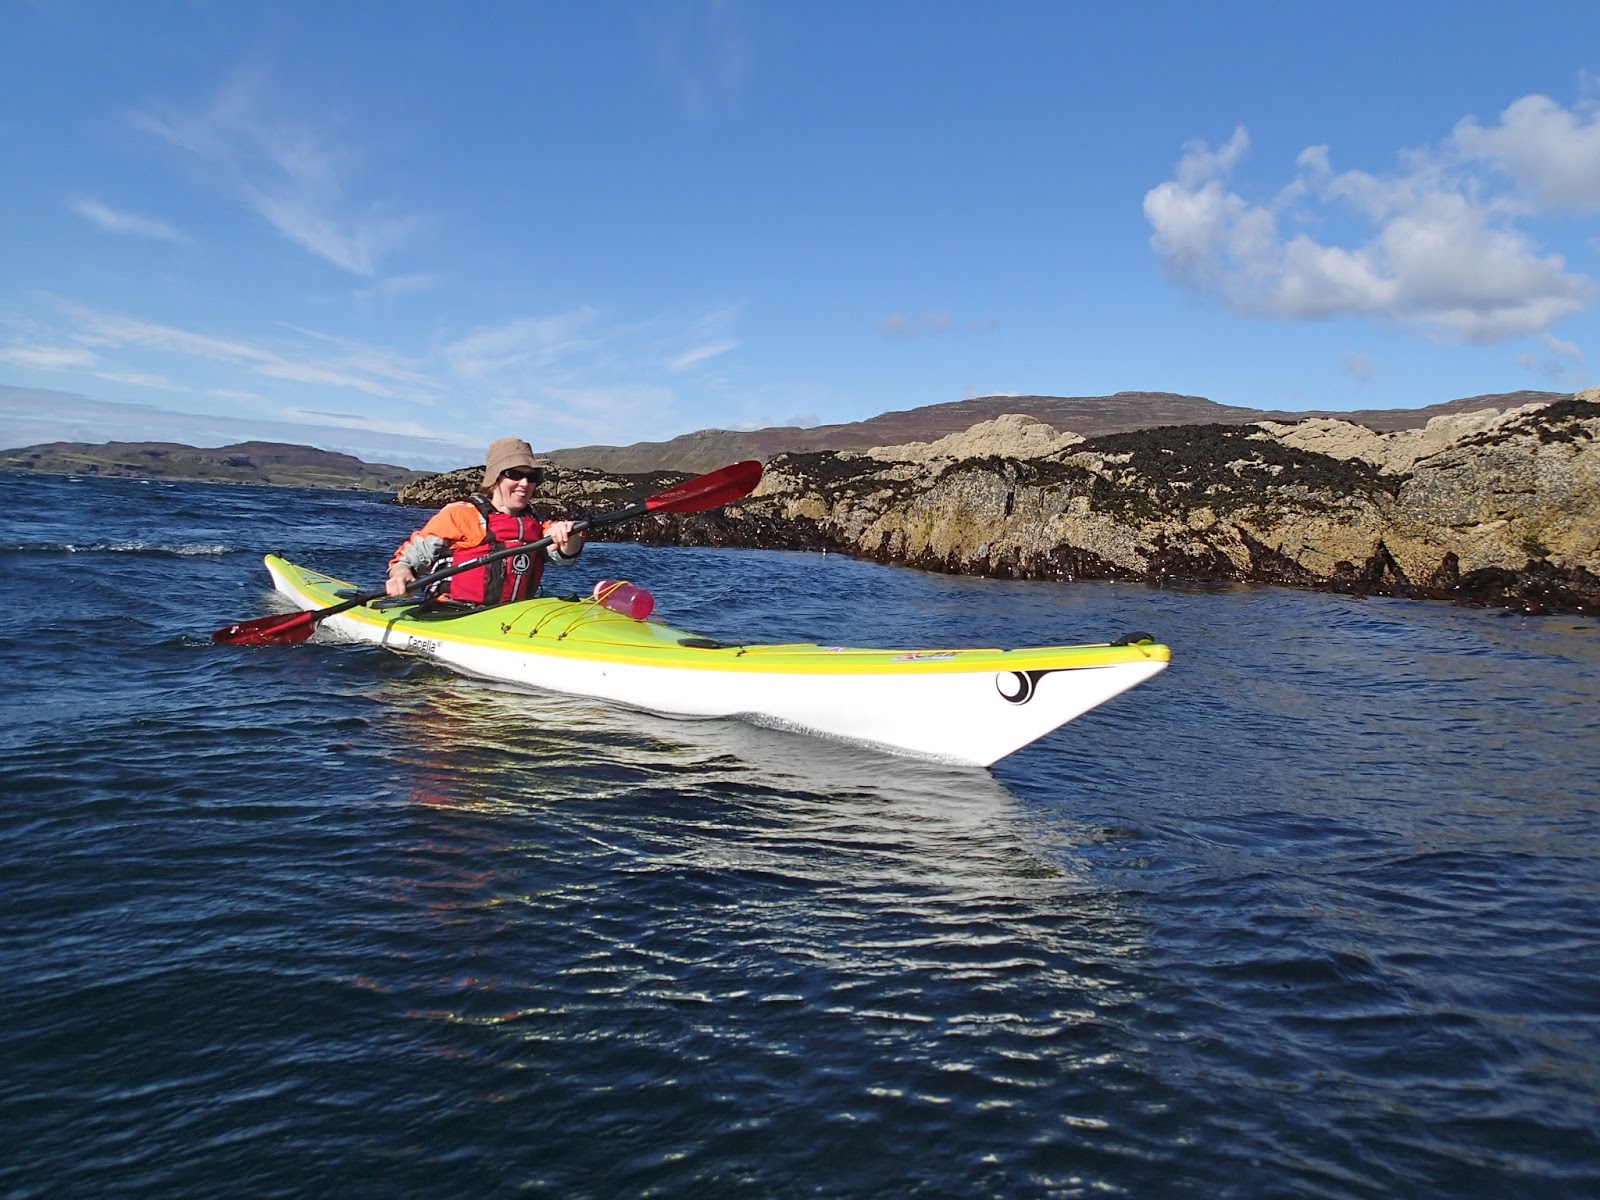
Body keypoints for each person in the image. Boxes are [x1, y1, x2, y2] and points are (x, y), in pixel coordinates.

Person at [385, 437, 585, 602]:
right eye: (514, 474)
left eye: (531, 477)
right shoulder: (460, 515)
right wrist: (401, 574)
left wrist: (568, 534)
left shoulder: (537, 526)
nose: (524, 483)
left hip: (510, 619)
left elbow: (566, 555)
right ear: (495, 478)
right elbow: (407, 560)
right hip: (451, 613)